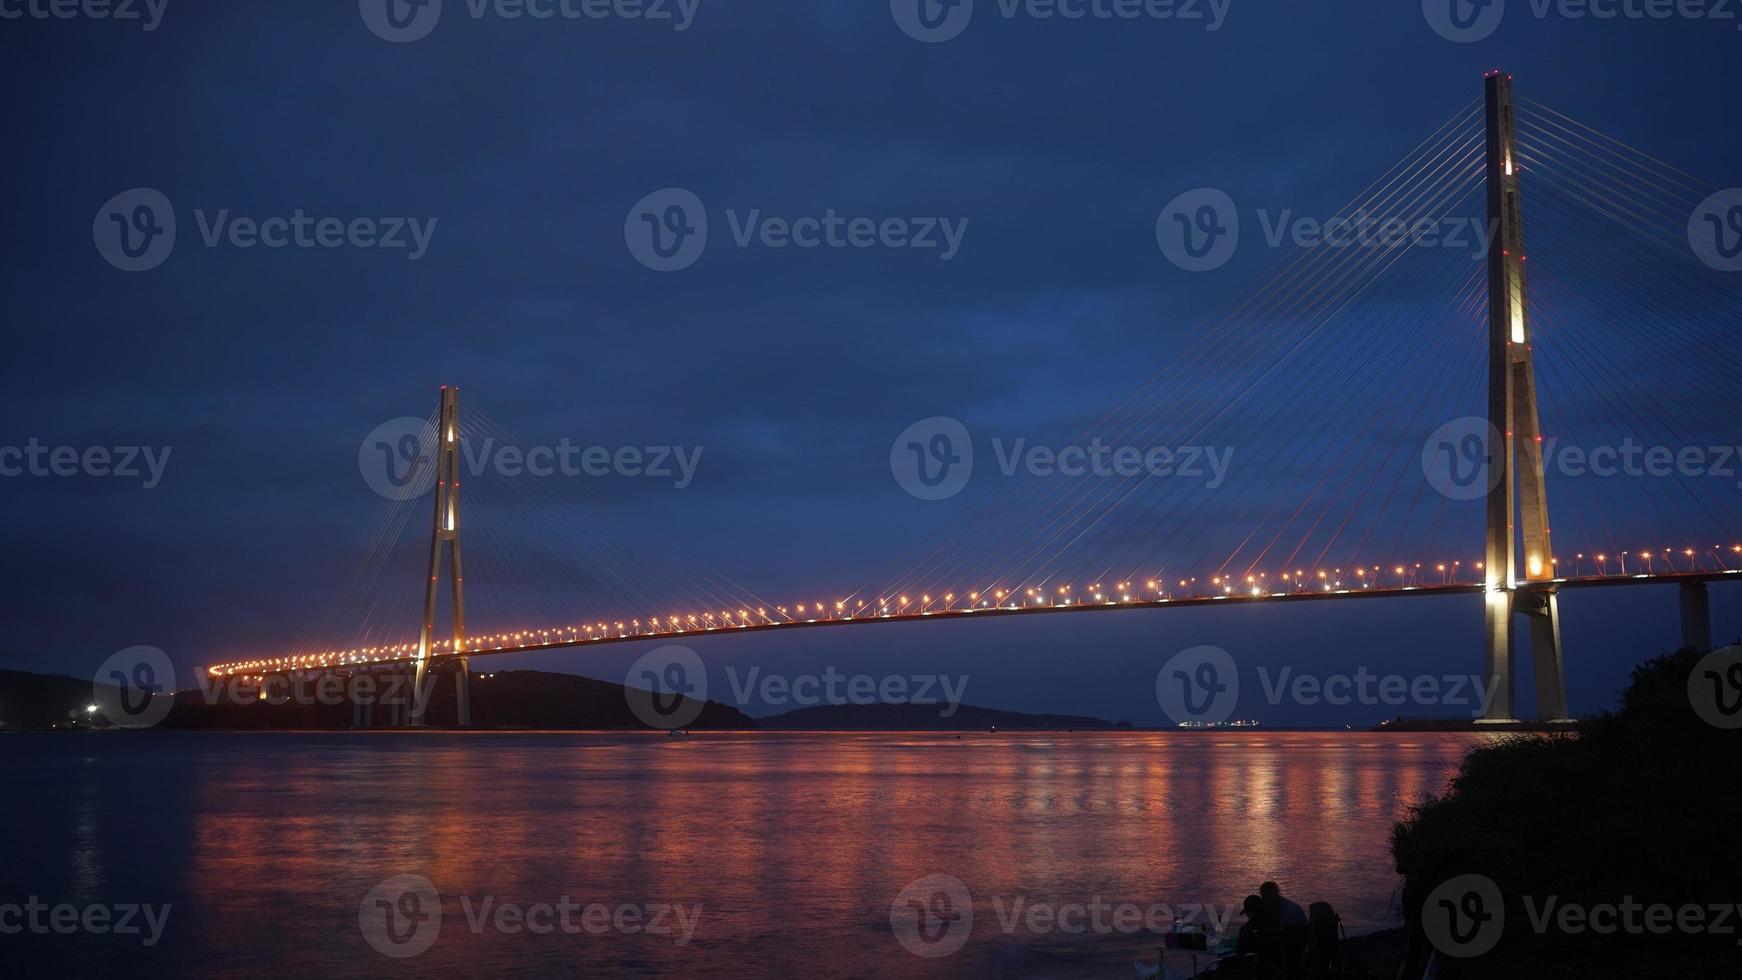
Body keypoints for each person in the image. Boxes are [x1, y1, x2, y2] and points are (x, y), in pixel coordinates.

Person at [1260, 882, 1310, 977]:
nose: (1267, 902)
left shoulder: (1291, 910)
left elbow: (1281, 933)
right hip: (1286, 947)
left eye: (1270, 898)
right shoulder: (1272, 908)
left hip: (1297, 948)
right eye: (1265, 899)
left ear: (1277, 895)